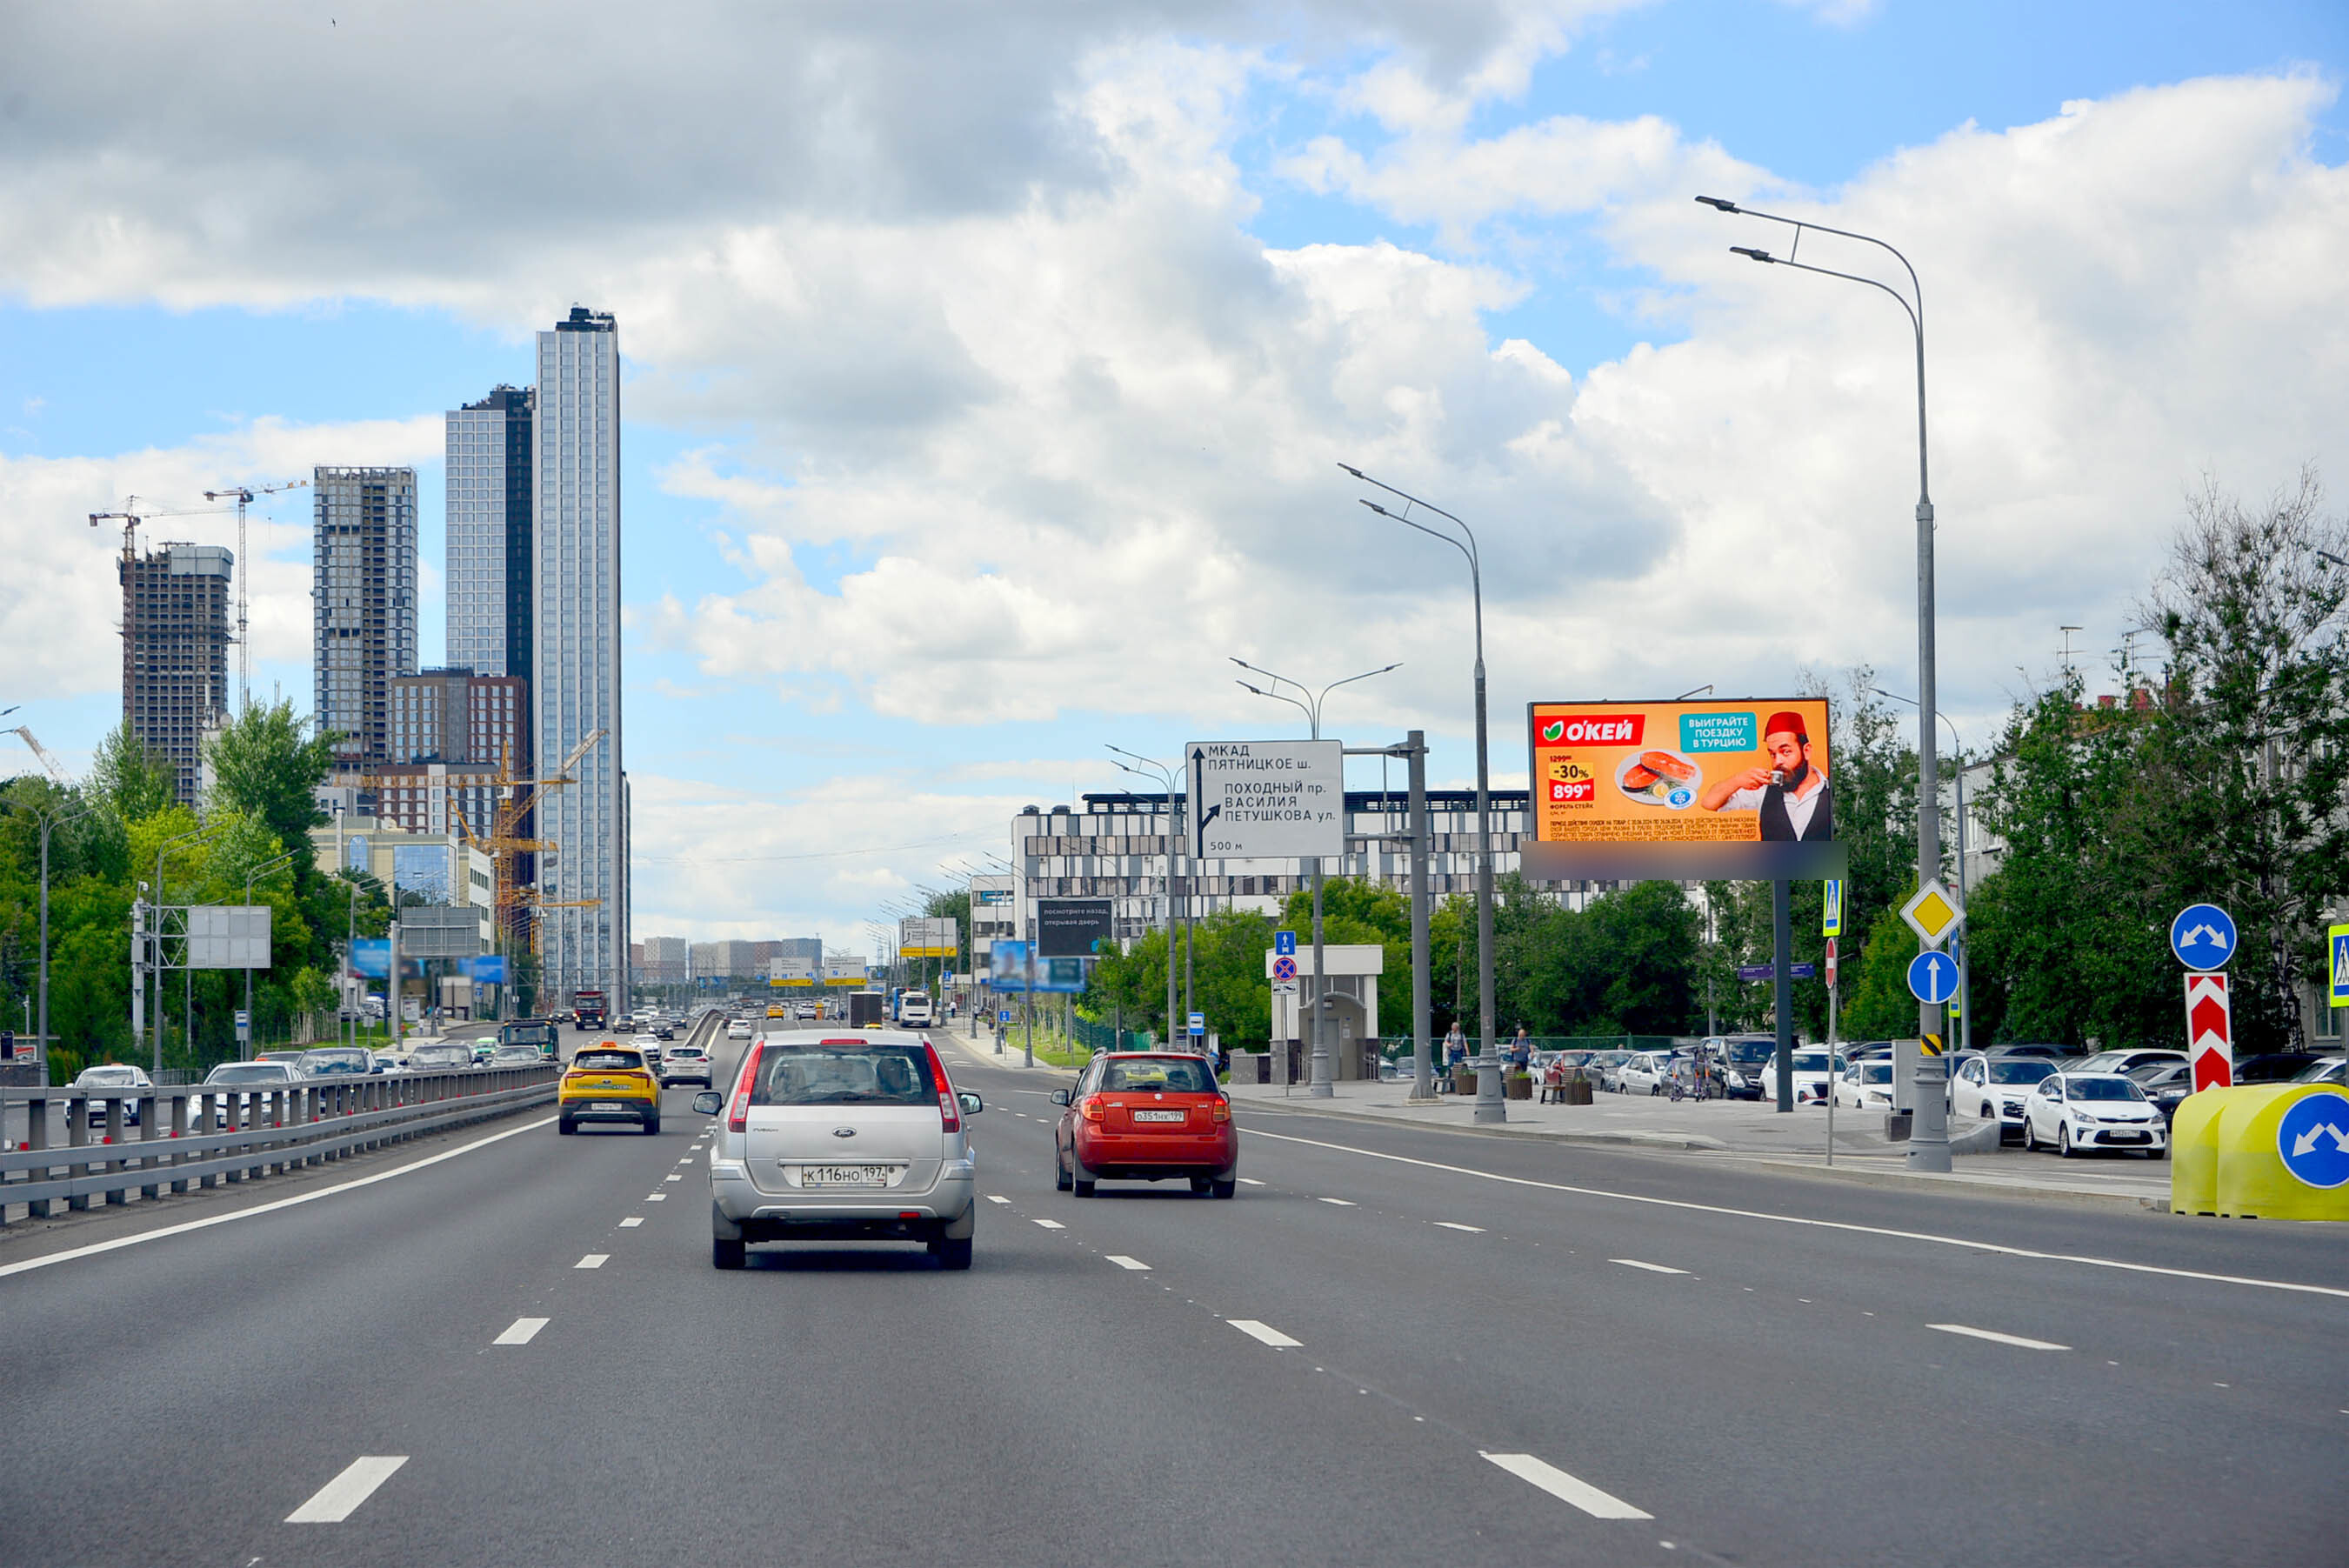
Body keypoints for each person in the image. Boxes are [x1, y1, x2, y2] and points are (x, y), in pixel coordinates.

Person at [1698, 710, 1833, 842]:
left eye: (1786, 752)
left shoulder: (1833, 791)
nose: (1778, 761)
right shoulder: (1763, 791)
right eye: (1773, 754)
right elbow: (1709, 802)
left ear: (1806, 751)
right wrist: (1737, 780)